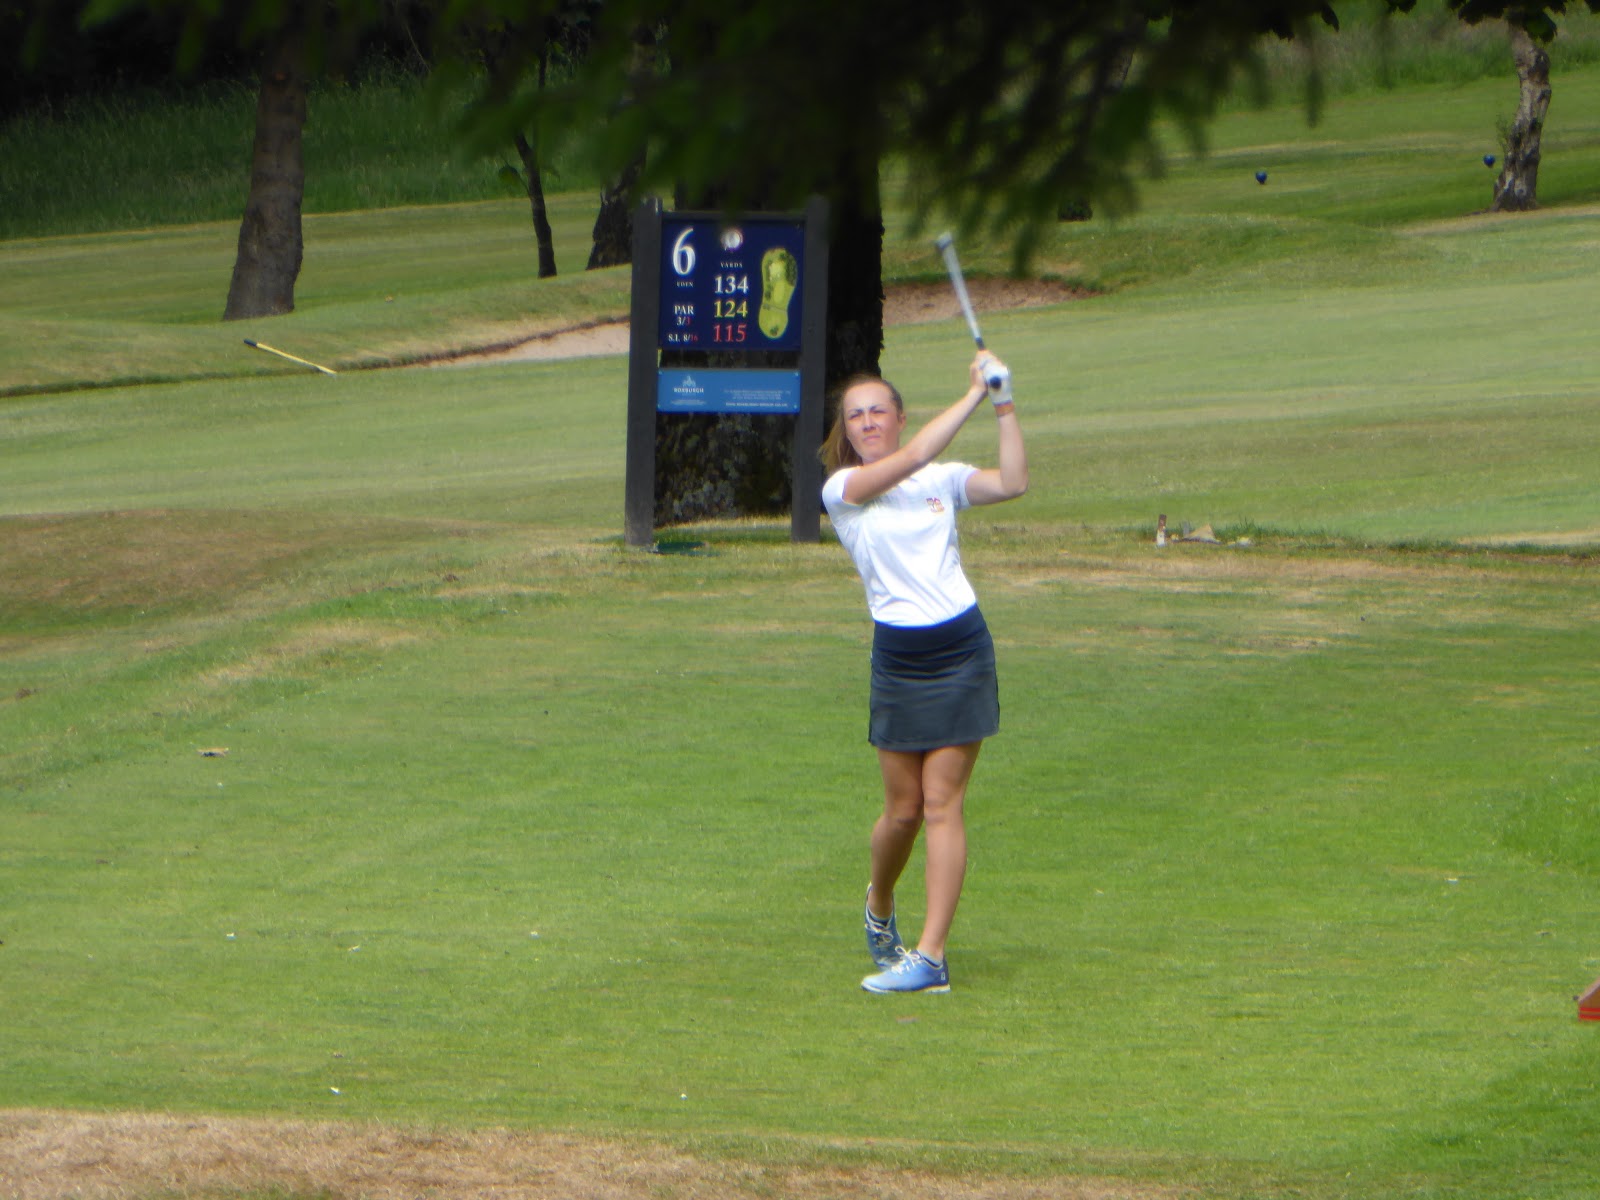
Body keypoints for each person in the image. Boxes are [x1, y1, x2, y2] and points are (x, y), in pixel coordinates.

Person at [820, 351, 1029, 993]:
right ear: (847, 432)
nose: (867, 421)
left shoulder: (941, 478)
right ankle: (879, 900)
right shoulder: (843, 491)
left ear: (900, 416)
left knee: (942, 804)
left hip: (962, 650)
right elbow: (906, 463)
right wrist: (970, 394)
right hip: (900, 660)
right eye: (855, 416)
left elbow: (1013, 482)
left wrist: (1003, 403)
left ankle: (932, 957)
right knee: (902, 811)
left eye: (878, 409)